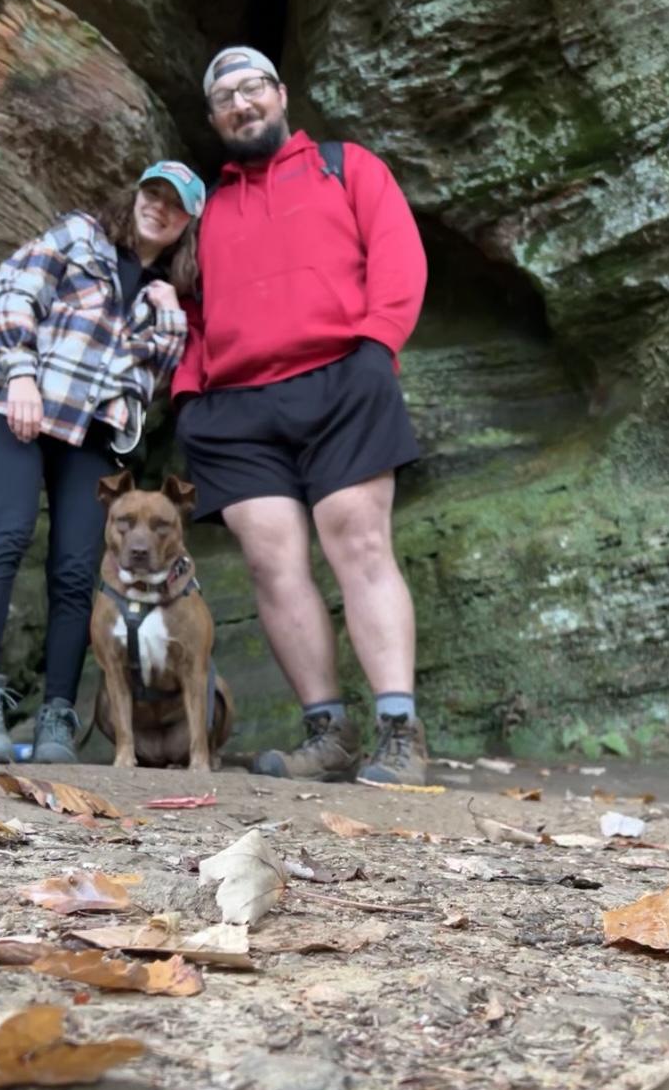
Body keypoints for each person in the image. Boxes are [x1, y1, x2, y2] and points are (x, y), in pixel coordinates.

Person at [173, 46, 429, 785]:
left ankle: (399, 734)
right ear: (214, 119)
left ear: (280, 94)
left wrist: (377, 346)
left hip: (342, 377)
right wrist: (188, 394)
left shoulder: (347, 167)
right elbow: (190, 310)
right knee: (270, 561)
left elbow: (398, 255)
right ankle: (329, 734)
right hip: (235, 405)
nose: (241, 104)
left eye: (251, 87)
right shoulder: (206, 210)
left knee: (360, 543)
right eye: (224, 98)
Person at [0, 161, 206, 764]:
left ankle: (58, 715)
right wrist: (21, 375)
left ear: (187, 224)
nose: (158, 207)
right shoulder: (80, 234)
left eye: (174, 205)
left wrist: (168, 308)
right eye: (152, 193)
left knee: (75, 569)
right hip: (21, 405)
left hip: (92, 434)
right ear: (136, 195)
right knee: (8, 533)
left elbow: (153, 374)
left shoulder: (165, 295)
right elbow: (15, 292)